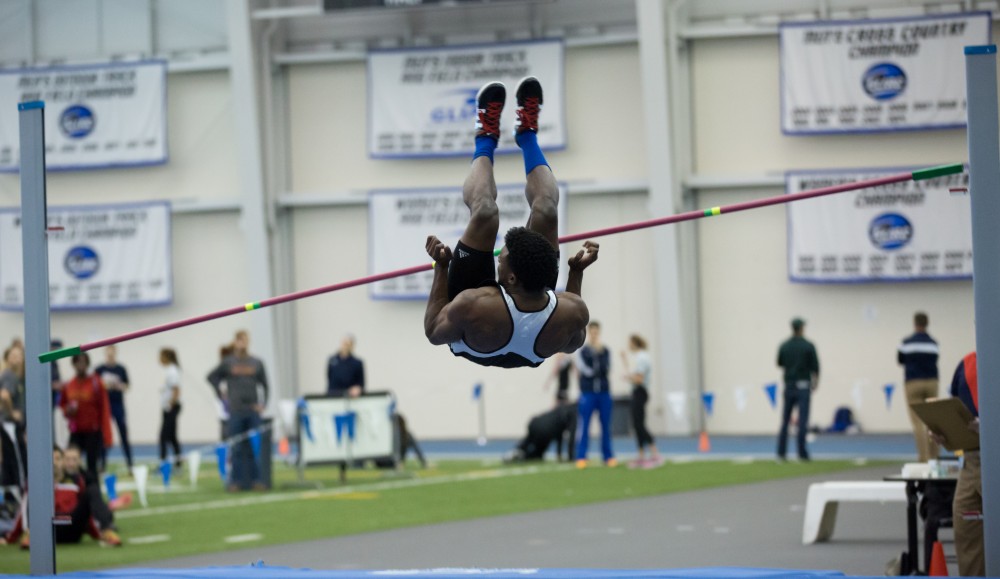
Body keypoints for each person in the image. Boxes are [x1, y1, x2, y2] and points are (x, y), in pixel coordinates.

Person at [423, 77, 599, 368]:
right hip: (520, 311)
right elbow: (572, 341)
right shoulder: (572, 310)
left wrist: (442, 269)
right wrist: (575, 272)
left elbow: (433, 332)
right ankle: (527, 134)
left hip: (477, 333)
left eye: (502, 256)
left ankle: (485, 136)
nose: (499, 254)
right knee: (546, 211)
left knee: (486, 213)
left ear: (510, 277)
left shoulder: (471, 304)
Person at [928, 352, 983, 576]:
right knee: (966, 530)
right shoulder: (967, 364)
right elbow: (953, 408)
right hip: (972, 461)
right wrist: (943, 431)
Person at [4, 446, 121, 549]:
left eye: (58, 459)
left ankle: (107, 531)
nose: (54, 463)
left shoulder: (76, 480)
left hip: (71, 523)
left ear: (63, 461)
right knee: (34, 494)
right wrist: (11, 538)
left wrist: (96, 533)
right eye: (51, 459)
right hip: (50, 526)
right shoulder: (38, 483)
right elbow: (24, 509)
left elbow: (85, 510)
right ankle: (30, 534)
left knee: (92, 489)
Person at [207, 330, 268, 492]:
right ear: (235, 342)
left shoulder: (256, 362)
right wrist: (221, 396)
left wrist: (263, 404)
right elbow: (211, 377)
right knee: (237, 448)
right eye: (240, 340)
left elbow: (265, 384)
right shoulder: (228, 362)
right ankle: (235, 482)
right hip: (236, 411)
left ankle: (257, 480)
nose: (243, 343)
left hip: (253, 410)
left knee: (254, 447)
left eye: (245, 340)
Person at [59, 353, 112, 475]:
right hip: (76, 431)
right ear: (73, 364)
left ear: (87, 364)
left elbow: (104, 408)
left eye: (83, 362)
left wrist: (107, 435)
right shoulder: (69, 385)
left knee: (92, 466)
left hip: (93, 432)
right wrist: (68, 410)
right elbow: (62, 406)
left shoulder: (96, 383)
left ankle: (93, 491)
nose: (80, 365)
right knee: (70, 463)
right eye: (78, 362)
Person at [898, 311, 940, 462]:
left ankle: (923, 458)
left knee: (917, 423)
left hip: (913, 382)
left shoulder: (906, 343)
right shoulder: (933, 343)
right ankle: (935, 456)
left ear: (915, 323)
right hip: (931, 382)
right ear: (927, 323)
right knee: (933, 420)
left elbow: (900, 360)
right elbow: (935, 359)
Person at [776, 317, 819, 462]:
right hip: (803, 386)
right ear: (801, 328)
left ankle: (781, 453)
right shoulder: (808, 346)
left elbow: (780, 363)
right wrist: (815, 382)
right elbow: (815, 367)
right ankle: (802, 453)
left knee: (785, 420)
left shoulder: (784, 345)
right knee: (802, 421)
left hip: (789, 385)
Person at [574, 321, 615, 468]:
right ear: (588, 333)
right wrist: (594, 357)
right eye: (592, 332)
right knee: (584, 426)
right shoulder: (582, 352)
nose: (594, 335)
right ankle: (581, 456)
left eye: (596, 332)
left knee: (606, 426)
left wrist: (599, 353)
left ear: (599, 333)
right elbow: (587, 371)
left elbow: (607, 368)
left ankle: (608, 456)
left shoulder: (606, 351)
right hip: (588, 393)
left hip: (604, 393)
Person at [622, 334, 662, 468]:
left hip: (640, 392)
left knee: (639, 424)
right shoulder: (639, 357)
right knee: (636, 424)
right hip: (637, 392)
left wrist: (628, 378)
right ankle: (641, 455)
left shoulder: (642, 357)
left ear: (635, 343)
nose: (628, 345)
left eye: (630, 342)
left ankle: (655, 453)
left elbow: (639, 379)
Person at [94, 345, 133, 473]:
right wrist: (104, 386)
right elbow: (94, 387)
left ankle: (130, 464)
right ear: (105, 353)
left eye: (112, 352)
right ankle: (102, 464)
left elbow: (127, 385)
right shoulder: (99, 369)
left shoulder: (121, 369)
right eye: (108, 352)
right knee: (103, 435)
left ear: (115, 352)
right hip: (104, 406)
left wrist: (118, 385)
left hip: (118, 405)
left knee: (123, 434)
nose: (110, 355)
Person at [505, 403, 577, 463]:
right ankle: (523, 455)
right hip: (546, 430)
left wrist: (559, 454)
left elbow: (559, 432)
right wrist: (569, 457)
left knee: (529, 440)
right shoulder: (573, 413)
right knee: (538, 454)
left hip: (534, 422)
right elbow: (568, 436)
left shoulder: (564, 407)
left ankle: (517, 451)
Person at [0, 344, 27, 489]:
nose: (17, 359)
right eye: (13, 356)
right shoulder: (9, 375)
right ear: (8, 359)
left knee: (10, 462)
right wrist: (11, 414)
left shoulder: (17, 377)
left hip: (9, 425)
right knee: (18, 463)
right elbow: (4, 396)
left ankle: (10, 495)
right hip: (9, 424)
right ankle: (22, 490)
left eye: (19, 355)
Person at [158, 348, 183, 469]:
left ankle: (163, 464)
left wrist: (170, 405)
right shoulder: (169, 370)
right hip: (168, 408)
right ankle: (178, 463)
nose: (159, 359)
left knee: (163, 437)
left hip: (171, 408)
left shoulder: (172, 371)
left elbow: (176, 390)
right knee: (172, 437)